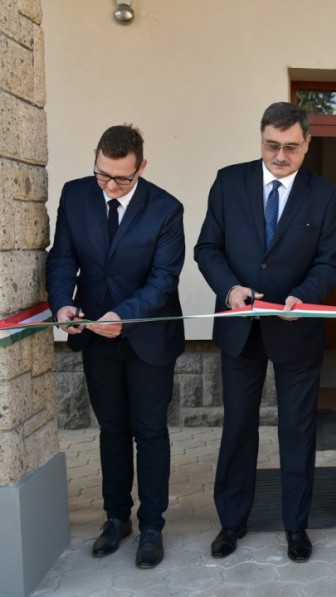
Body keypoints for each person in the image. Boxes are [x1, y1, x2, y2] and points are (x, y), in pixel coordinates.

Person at [195, 102, 336, 562]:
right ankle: (231, 522)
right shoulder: (228, 181)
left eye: (291, 147)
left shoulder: (324, 195)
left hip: (296, 329)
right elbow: (207, 248)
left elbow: (329, 263)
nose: (280, 156)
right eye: (271, 145)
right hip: (240, 327)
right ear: (261, 138)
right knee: (238, 426)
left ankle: (296, 526)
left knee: (297, 430)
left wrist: (303, 295)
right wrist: (229, 289)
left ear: (307, 144)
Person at [46, 125, 185, 569]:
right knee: (112, 430)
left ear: (141, 167)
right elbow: (62, 257)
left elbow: (164, 280)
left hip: (147, 337)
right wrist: (63, 304)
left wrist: (122, 315)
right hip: (94, 335)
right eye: (102, 173)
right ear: (96, 158)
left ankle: (152, 526)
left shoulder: (166, 208)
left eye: (121, 178)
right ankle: (115, 518)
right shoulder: (75, 195)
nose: (109, 184)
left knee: (150, 431)